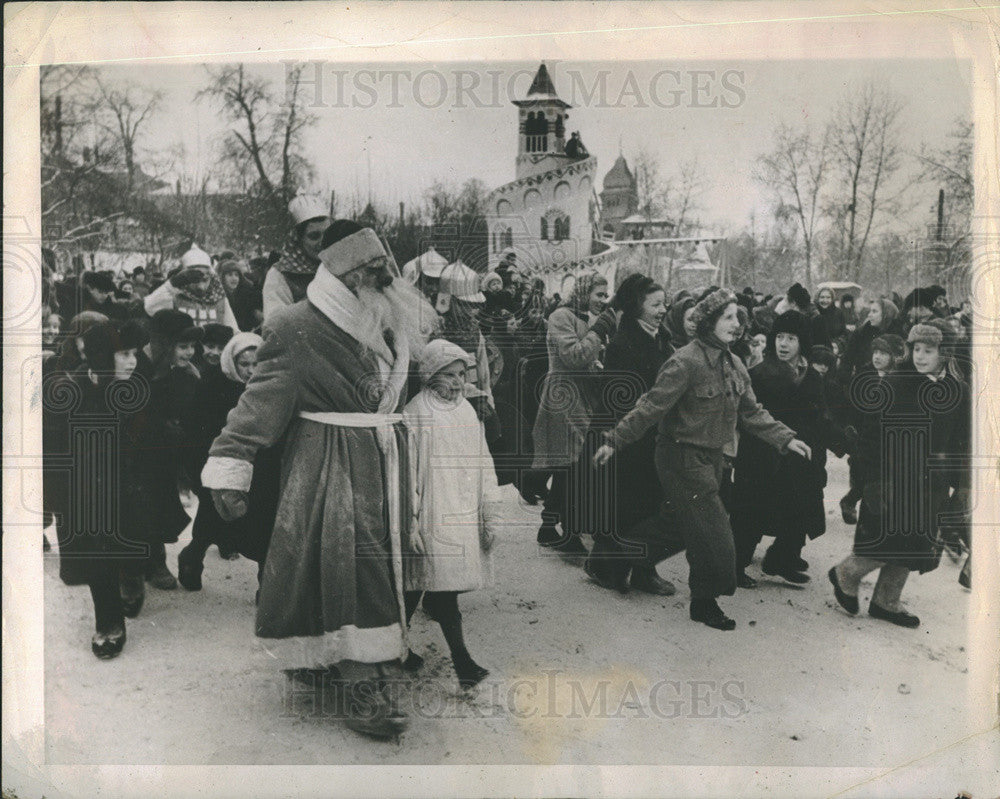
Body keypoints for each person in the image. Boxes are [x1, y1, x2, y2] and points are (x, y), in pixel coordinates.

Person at [200, 223, 435, 739]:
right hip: (330, 464)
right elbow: (257, 404)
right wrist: (230, 467)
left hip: (383, 458)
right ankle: (358, 681)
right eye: (373, 271)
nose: (386, 277)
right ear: (344, 274)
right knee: (347, 566)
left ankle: (360, 657)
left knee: (376, 564)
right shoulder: (294, 326)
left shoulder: (388, 320)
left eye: (386, 267)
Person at [594, 289, 812, 631]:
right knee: (713, 532)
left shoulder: (735, 363)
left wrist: (786, 438)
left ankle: (611, 556)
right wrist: (615, 440)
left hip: (713, 457)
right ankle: (704, 603)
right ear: (708, 321)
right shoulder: (685, 361)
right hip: (679, 455)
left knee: (677, 525)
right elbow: (651, 406)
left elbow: (751, 412)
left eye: (738, 317)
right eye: (727, 317)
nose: (736, 324)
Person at [829, 322, 969, 628]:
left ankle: (886, 601)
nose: (919, 356)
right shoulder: (895, 383)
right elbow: (871, 436)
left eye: (928, 350)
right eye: (916, 349)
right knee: (890, 540)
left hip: (932, 482)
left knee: (915, 544)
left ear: (944, 353)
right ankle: (846, 573)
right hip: (893, 478)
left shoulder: (958, 390)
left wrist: (962, 486)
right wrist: (873, 481)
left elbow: (961, 441)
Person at [402, 339, 502, 689]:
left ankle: (395, 648)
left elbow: (483, 459)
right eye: (449, 374)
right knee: (429, 588)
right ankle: (462, 662)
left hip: (461, 512)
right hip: (432, 512)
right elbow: (409, 472)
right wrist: (410, 520)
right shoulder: (417, 413)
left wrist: (488, 510)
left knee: (432, 586)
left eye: (462, 374)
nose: (458, 382)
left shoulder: (465, 411)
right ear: (430, 375)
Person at [47, 319, 150, 658]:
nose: (132, 361)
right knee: (97, 557)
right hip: (88, 489)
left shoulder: (135, 388)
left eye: (134, 353)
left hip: (129, 485)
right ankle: (109, 621)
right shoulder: (70, 391)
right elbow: (53, 450)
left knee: (131, 545)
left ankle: (132, 581)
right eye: (123, 354)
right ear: (104, 356)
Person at [732, 311, 847, 587]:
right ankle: (735, 565)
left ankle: (781, 559)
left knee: (801, 507)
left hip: (800, 457)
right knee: (751, 513)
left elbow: (819, 418)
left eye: (791, 338)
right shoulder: (759, 375)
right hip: (762, 457)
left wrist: (843, 442)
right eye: (779, 337)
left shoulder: (811, 376)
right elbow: (747, 416)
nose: (783, 344)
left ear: (802, 342)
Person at [586, 276, 677, 595]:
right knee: (625, 504)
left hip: (651, 433)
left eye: (664, 304)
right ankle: (605, 566)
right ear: (637, 307)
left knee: (649, 504)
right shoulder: (624, 343)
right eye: (655, 304)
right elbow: (618, 395)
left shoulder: (662, 339)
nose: (662, 310)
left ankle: (642, 571)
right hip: (624, 434)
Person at [178, 332, 272, 590]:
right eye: (244, 364)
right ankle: (192, 559)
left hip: (258, 468)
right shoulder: (212, 386)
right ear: (232, 362)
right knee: (210, 521)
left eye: (256, 364)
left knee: (263, 524)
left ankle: (266, 584)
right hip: (220, 466)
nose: (251, 371)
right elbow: (197, 432)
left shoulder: (270, 388)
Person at [532, 272, 615, 557]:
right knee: (572, 465)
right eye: (599, 295)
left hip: (585, 396)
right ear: (583, 292)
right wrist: (599, 331)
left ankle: (548, 526)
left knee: (570, 464)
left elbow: (592, 360)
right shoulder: (561, 316)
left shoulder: (589, 318)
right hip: (564, 394)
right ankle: (568, 532)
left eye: (606, 296)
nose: (603, 301)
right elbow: (574, 356)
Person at [262, 196, 330, 319]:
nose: (323, 242)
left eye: (327, 234)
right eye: (314, 236)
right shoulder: (280, 275)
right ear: (298, 240)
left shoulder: (338, 267)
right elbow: (276, 324)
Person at [144, 245, 240, 330]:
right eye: (195, 281)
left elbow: (233, 331)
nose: (200, 287)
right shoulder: (175, 296)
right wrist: (173, 283)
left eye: (205, 280)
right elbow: (149, 308)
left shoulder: (219, 299)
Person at [839, 297, 903, 382]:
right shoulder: (861, 333)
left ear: (886, 314)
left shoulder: (899, 335)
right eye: (870, 311)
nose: (869, 315)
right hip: (863, 383)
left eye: (874, 311)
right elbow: (847, 360)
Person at [219, 259, 263, 332]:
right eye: (230, 275)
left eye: (236, 275)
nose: (234, 278)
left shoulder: (246, 296)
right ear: (223, 278)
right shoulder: (220, 296)